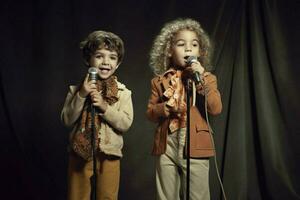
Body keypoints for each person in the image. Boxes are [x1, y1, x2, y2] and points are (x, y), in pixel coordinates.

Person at [146, 18, 222, 200]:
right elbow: (150, 112)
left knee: (198, 196)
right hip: (167, 144)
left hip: (195, 142)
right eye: (181, 44)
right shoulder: (159, 81)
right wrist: (165, 108)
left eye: (194, 45)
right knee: (166, 195)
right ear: (169, 51)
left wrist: (200, 78)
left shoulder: (208, 79)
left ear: (200, 52)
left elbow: (215, 108)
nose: (188, 49)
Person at [61, 30, 133, 200]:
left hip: (109, 154)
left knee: (107, 196)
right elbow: (67, 119)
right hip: (80, 153)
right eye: (99, 56)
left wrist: (104, 106)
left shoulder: (123, 93)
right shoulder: (75, 90)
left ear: (117, 64)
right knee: (77, 196)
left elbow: (125, 123)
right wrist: (82, 95)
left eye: (112, 57)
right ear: (88, 59)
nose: (105, 62)